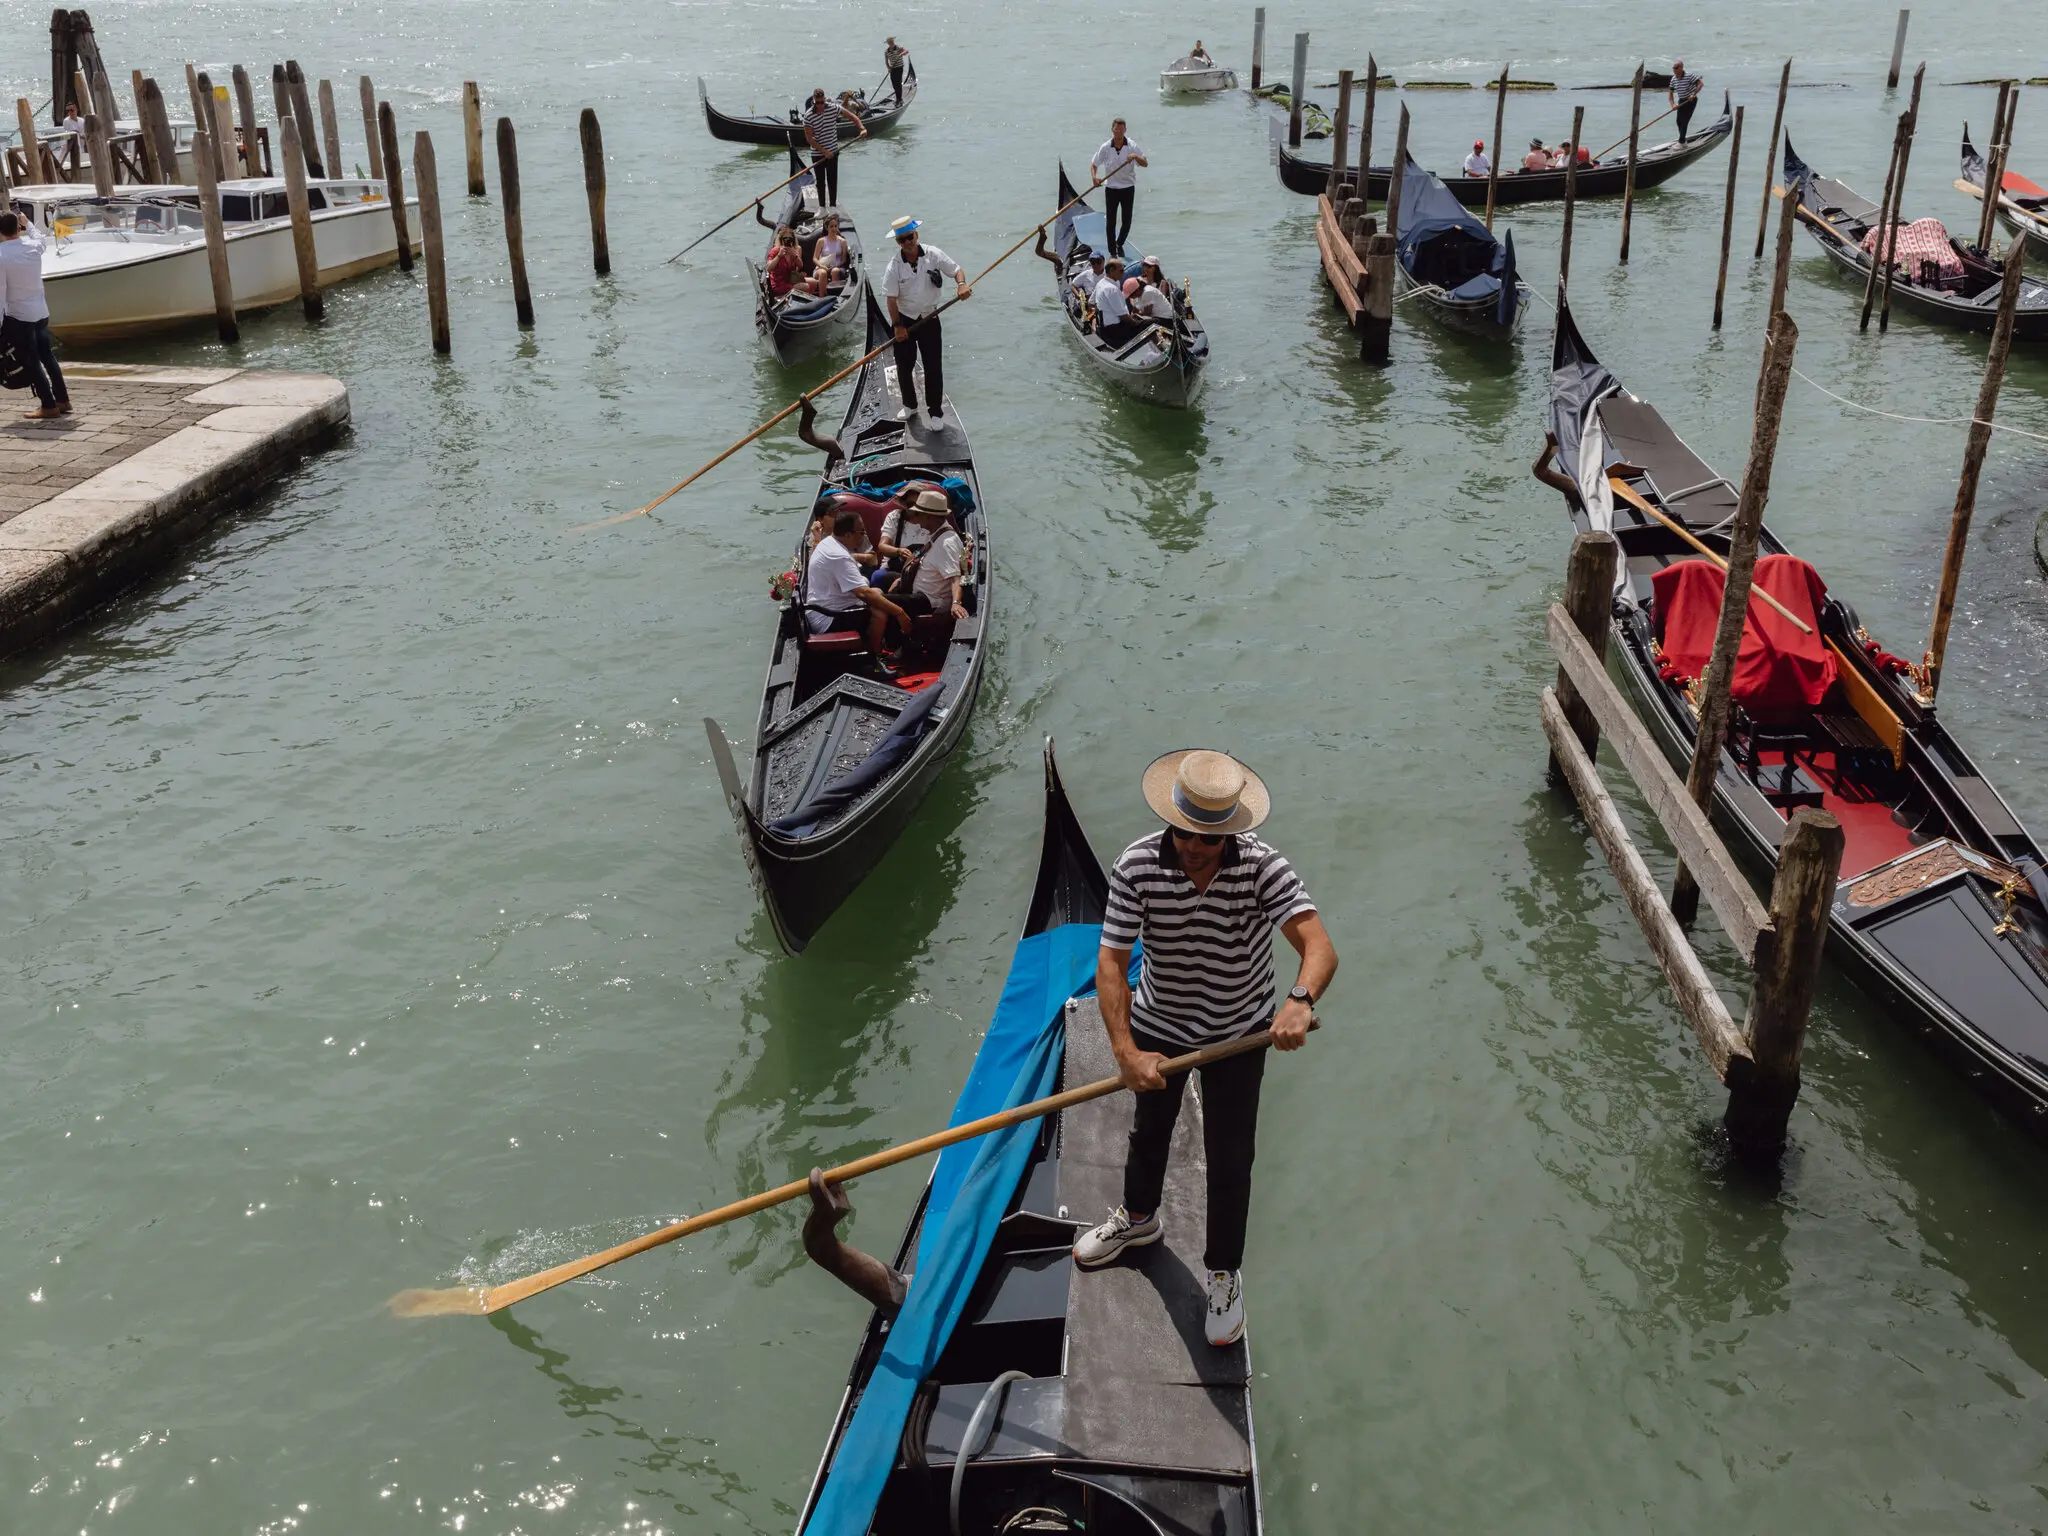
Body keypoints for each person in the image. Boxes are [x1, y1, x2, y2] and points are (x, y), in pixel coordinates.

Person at [1072, 750, 1338, 1348]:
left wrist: (1299, 1000)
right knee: (1149, 1131)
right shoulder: (1136, 865)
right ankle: (1138, 1222)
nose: (1195, 848)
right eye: (1186, 834)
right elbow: (1112, 962)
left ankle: (1223, 1273)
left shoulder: (1263, 867)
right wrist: (1124, 1050)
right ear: (1173, 819)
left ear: (1231, 834)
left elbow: (1318, 947)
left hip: (1239, 1031)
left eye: (1209, 841)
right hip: (1160, 1020)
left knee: (1230, 1156)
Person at [882, 216, 969, 427]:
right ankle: (910, 406)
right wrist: (897, 326)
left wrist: (962, 284)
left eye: (910, 237)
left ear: (916, 235)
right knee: (904, 366)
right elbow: (891, 298)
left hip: (930, 318)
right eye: (902, 240)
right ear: (898, 243)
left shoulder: (933, 254)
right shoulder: (894, 266)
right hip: (905, 320)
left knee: (933, 367)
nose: (907, 243)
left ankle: (936, 412)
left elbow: (956, 270)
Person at [804, 508, 910, 673]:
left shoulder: (829, 543)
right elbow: (863, 593)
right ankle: (873, 662)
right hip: (828, 618)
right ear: (847, 535)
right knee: (879, 612)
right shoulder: (839, 555)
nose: (864, 536)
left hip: (829, 608)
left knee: (878, 594)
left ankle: (882, 646)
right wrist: (900, 613)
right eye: (861, 532)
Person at [0, 212, 67, 419]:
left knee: (31, 360)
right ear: (18, 229)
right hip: (40, 311)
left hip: (19, 315)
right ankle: (62, 400)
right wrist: (27, 221)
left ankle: (48, 405)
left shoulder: (1, 255)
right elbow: (40, 238)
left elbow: (0, 292)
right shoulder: (33, 247)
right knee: (47, 356)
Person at [893, 491, 969, 625]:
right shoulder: (937, 533)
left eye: (918, 514)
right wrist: (902, 579)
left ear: (929, 516)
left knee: (879, 601)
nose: (915, 519)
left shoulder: (946, 543)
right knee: (883, 581)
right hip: (923, 593)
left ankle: (894, 643)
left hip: (931, 601)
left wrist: (956, 603)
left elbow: (955, 578)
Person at [802, 86, 867, 210]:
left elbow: (853, 117)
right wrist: (824, 151)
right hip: (817, 153)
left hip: (833, 150)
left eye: (822, 102)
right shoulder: (808, 116)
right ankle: (822, 209)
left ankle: (832, 207)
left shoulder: (833, 108)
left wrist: (862, 128)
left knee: (832, 181)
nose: (820, 105)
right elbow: (809, 139)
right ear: (814, 101)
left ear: (825, 100)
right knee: (820, 182)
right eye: (818, 103)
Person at [1090, 119, 1148, 258]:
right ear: (1112, 130)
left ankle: (1119, 243)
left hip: (1128, 187)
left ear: (1125, 130)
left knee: (1127, 221)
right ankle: (1112, 251)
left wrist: (1135, 157)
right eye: (1116, 129)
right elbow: (1094, 164)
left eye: (1121, 130)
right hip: (1111, 188)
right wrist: (1094, 178)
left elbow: (1145, 163)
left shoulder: (1132, 146)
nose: (1118, 132)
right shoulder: (1106, 147)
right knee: (1111, 221)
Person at [1093, 256, 1138, 346]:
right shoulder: (1111, 289)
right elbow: (1123, 316)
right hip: (1114, 331)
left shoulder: (1101, 283)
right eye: (1121, 271)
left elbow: (1091, 301)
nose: (1124, 273)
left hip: (1104, 327)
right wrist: (1136, 323)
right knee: (1150, 323)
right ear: (1112, 271)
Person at [805, 212, 849, 294]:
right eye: (831, 226)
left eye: (836, 226)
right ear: (826, 227)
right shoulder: (821, 241)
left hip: (837, 267)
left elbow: (844, 260)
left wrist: (835, 266)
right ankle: (822, 297)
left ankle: (835, 295)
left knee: (835, 271)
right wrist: (822, 266)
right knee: (823, 273)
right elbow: (815, 258)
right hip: (821, 267)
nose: (834, 229)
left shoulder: (842, 241)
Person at [1131, 256, 1176, 322]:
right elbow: (1132, 295)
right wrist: (1137, 306)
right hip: (1140, 309)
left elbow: (1161, 299)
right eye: (1144, 265)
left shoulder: (1162, 283)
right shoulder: (1139, 280)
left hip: (1155, 314)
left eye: (1148, 266)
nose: (1145, 268)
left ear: (1155, 268)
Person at [763, 226, 804, 298]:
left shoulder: (793, 251)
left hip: (790, 280)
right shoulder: (775, 251)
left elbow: (800, 266)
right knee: (805, 287)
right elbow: (768, 268)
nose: (787, 240)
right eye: (785, 238)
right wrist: (779, 256)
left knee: (812, 283)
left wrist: (794, 255)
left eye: (790, 239)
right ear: (781, 240)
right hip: (778, 284)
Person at [1669, 60, 1704, 141]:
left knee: (1684, 121)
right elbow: (1670, 94)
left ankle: (1681, 142)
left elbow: (1700, 84)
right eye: (1673, 68)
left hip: (1690, 101)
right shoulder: (1673, 79)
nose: (1674, 70)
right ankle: (1683, 139)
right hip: (1681, 102)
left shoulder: (1689, 76)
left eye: (1676, 68)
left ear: (1681, 68)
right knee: (1679, 122)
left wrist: (1693, 94)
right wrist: (1673, 105)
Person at [884, 38, 909, 104]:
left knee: (898, 83)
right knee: (894, 84)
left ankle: (899, 99)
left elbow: (906, 51)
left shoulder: (898, 47)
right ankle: (898, 97)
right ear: (888, 43)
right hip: (893, 69)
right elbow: (886, 61)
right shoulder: (886, 51)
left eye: (892, 41)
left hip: (899, 67)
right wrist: (888, 68)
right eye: (889, 42)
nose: (891, 43)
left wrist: (901, 54)